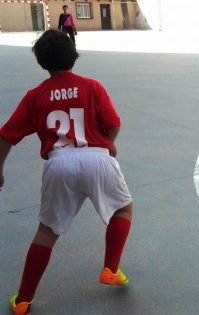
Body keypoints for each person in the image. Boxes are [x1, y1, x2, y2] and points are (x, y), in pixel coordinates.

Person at [1, 30, 133, 315]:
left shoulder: (35, 96)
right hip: (98, 157)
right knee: (122, 210)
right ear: (74, 54)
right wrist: (109, 144)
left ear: (42, 62)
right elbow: (114, 123)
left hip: (59, 162)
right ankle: (110, 268)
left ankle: (23, 300)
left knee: (47, 231)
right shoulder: (91, 86)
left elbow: (6, 136)